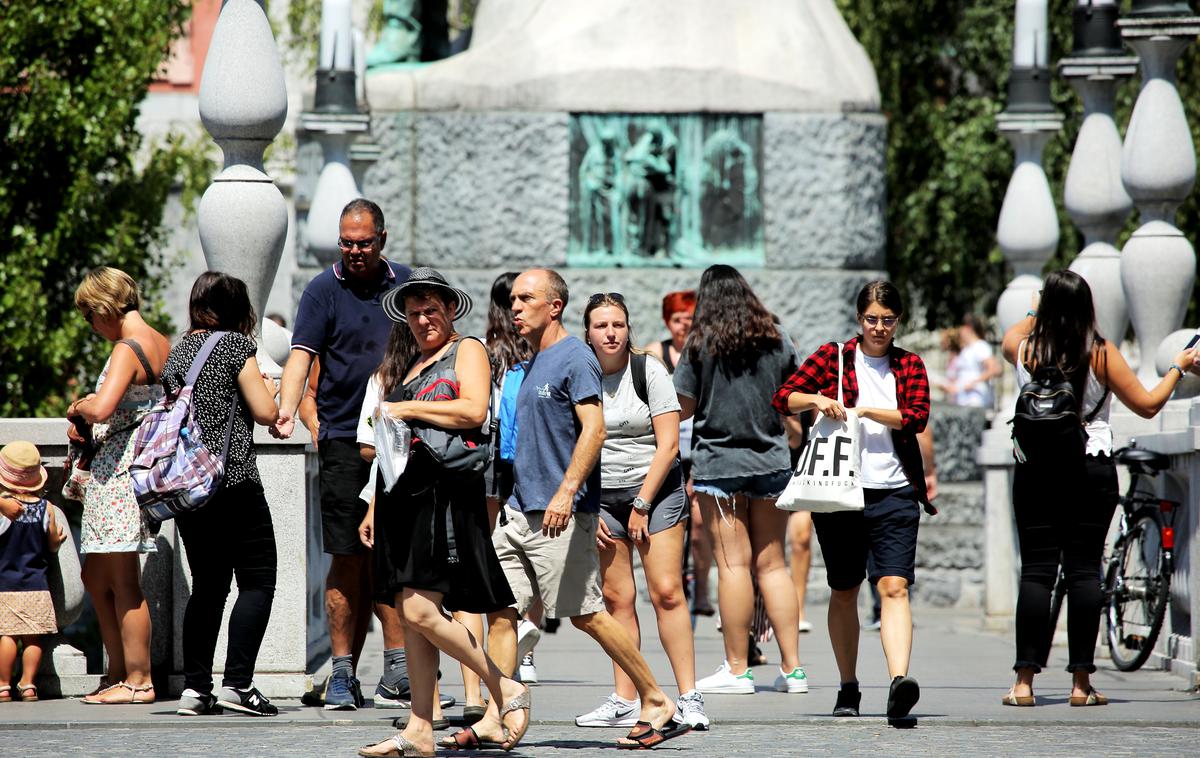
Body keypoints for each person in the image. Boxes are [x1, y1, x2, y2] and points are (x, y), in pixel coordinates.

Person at [446, 268, 687, 751]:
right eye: (513, 299)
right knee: (499, 609)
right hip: (518, 512)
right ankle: (498, 713)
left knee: (587, 615)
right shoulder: (532, 359)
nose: (515, 307)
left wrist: (566, 493)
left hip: (560, 517)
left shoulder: (576, 356)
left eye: (526, 298)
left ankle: (657, 700)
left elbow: (594, 430)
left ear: (553, 306)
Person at [999, 270, 1197, 708]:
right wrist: (1177, 368)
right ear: (1088, 309)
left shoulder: (1026, 349)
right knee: (1084, 571)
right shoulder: (1100, 353)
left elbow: (1009, 334)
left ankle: (1024, 684)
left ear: (1046, 308)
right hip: (1089, 469)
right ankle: (1081, 684)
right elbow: (1147, 406)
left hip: (1035, 472)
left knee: (1036, 573)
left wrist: (1035, 312)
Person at [356, 267, 529, 757]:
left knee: (416, 607)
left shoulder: (466, 349)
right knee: (415, 613)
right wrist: (372, 501)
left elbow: (474, 410)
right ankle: (419, 728)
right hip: (404, 498)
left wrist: (405, 410)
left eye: (432, 309)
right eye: (414, 312)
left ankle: (503, 687)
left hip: (446, 498)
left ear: (450, 309)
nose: (423, 318)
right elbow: (390, 447)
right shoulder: (411, 364)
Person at [773, 280, 931, 724]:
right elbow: (783, 396)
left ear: (898, 321)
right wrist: (820, 399)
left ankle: (899, 682)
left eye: (887, 320)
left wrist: (864, 410)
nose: (879, 328)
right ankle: (848, 686)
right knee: (844, 589)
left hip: (896, 490)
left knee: (893, 585)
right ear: (859, 318)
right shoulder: (833, 357)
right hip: (840, 491)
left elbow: (915, 417)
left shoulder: (909, 365)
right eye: (871, 319)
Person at [274, 198, 411, 710]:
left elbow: (435, 342)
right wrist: (288, 411)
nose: (355, 251)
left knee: (392, 559)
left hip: (401, 440)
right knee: (347, 557)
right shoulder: (321, 290)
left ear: (382, 238)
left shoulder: (407, 284)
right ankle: (341, 674)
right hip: (340, 442)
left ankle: (397, 671)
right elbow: (301, 357)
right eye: (347, 242)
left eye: (364, 242)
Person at [577, 293, 709, 731]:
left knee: (667, 591)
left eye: (618, 324)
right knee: (618, 600)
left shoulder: (648, 368)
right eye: (601, 326)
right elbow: (569, 443)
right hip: (601, 496)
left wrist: (641, 504)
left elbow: (669, 444)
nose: (611, 333)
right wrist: (585, 503)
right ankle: (626, 698)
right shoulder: (580, 373)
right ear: (588, 332)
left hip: (656, 489)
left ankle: (690, 698)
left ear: (629, 328)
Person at [673, 265, 805, 697]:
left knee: (732, 567)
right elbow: (793, 395)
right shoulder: (779, 339)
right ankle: (794, 670)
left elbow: (684, 407)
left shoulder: (700, 344)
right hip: (771, 460)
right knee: (774, 565)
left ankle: (738, 669)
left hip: (719, 466)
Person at [164, 272, 283, 717]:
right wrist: (271, 393)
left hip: (190, 488)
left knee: (208, 587)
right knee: (258, 580)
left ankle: (195, 690)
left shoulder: (178, 353)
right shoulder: (235, 347)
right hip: (234, 482)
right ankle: (238, 683)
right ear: (237, 308)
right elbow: (264, 411)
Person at [70, 266, 169, 704]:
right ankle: (117, 672)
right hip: (131, 467)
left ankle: (137, 679)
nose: (91, 328)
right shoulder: (162, 341)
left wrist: (80, 404)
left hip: (119, 470)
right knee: (98, 576)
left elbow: (105, 406)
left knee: (124, 581)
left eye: (90, 317)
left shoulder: (128, 348)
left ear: (105, 307)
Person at [645, 290, 713, 617]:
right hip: (665, 450)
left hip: (697, 449)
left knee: (700, 526)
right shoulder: (654, 354)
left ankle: (701, 589)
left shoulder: (704, 354)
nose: (683, 326)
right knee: (668, 523)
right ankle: (671, 583)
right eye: (676, 319)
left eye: (689, 319)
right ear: (666, 322)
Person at [0, 442, 67, 703]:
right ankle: (28, 684)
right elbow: (51, 543)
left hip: (5, 584)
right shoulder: (45, 508)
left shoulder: (4, 510)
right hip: (37, 585)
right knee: (32, 638)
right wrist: (57, 539)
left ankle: (4, 685)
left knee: (7, 635)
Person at [946, 314, 999, 408]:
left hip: (976, 401)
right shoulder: (967, 349)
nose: (960, 332)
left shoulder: (980, 346)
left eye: (961, 328)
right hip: (964, 401)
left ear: (968, 328)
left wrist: (974, 382)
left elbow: (994, 369)